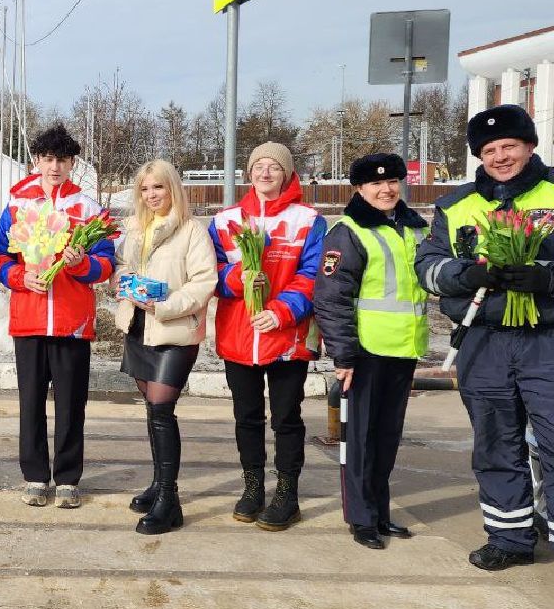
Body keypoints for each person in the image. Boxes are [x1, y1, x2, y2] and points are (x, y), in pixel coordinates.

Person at [415, 105, 554, 609]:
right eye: (488, 151)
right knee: (495, 445)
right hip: (485, 343)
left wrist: (552, 278)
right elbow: (427, 267)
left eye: (508, 146)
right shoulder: (457, 205)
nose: (500, 156)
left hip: (550, 340)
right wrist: (462, 276)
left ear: (529, 145)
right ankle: (510, 539)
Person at [0, 123, 116, 509]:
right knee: (30, 402)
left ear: (72, 163)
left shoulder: (88, 208)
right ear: (36, 161)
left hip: (71, 321)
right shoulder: (17, 203)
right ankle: (33, 475)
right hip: (28, 317)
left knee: (70, 402)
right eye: (47, 159)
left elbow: (107, 263)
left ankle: (66, 477)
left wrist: (80, 266)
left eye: (62, 159)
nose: (54, 166)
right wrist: (20, 277)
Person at [313, 153, 429, 550]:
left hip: (403, 348)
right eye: (376, 184)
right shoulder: (348, 231)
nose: (386, 189)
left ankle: (380, 511)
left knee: (387, 437)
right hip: (365, 352)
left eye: (393, 181)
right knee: (360, 439)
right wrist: (343, 354)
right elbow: (331, 297)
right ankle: (361, 518)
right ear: (359, 189)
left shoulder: (413, 228)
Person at [210, 142, 325, 531]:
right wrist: (237, 280)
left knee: (286, 418)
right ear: (248, 173)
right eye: (258, 165)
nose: (265, 173)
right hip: (239, 336)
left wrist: (280, 312)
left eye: (274, 167)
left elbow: (312, 276)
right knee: (246, 417)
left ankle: (287, 493)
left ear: (287, 174)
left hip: (286, 337)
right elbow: (210, 275)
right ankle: (253, 487)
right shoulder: (226, 221)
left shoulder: (307, 220)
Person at [114, 159, 218, 535]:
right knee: (152, 410)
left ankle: (169, 501)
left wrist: (165, 305)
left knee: (162, 409)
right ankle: (159, 484)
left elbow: (205, 281)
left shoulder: (191, 231)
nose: (151, 195)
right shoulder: (136, 228)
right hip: (139, 326)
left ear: (172, 188)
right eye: (144, 189)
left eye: (157, 187)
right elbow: (122, 267)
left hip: (174, 329)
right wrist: (126, 284)